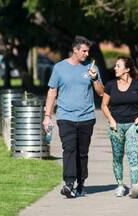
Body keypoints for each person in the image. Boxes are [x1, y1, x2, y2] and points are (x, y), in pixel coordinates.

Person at [42, 36, 104, 198]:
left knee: (82, 152)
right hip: (65, 116)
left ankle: (81, 183)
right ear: (75, 50)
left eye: (88, 51)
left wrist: (95, 78)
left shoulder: (92, 68)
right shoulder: (59, 68)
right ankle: (69, 184)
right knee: (69, 149)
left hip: (86, 117)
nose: (86, 53)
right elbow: (52, 92)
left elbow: (101, 92)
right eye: (84, 50)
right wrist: (47, 116)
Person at [101, 56, 138, 198]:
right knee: (117, 157)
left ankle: (134, 186)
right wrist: (111, 120)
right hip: (116, 126)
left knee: (133, 155)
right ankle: (120, 186)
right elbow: (104, 106)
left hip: (133, 125)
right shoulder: (110, 85)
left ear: (127, 69)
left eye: (118, 66)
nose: (115, 68)